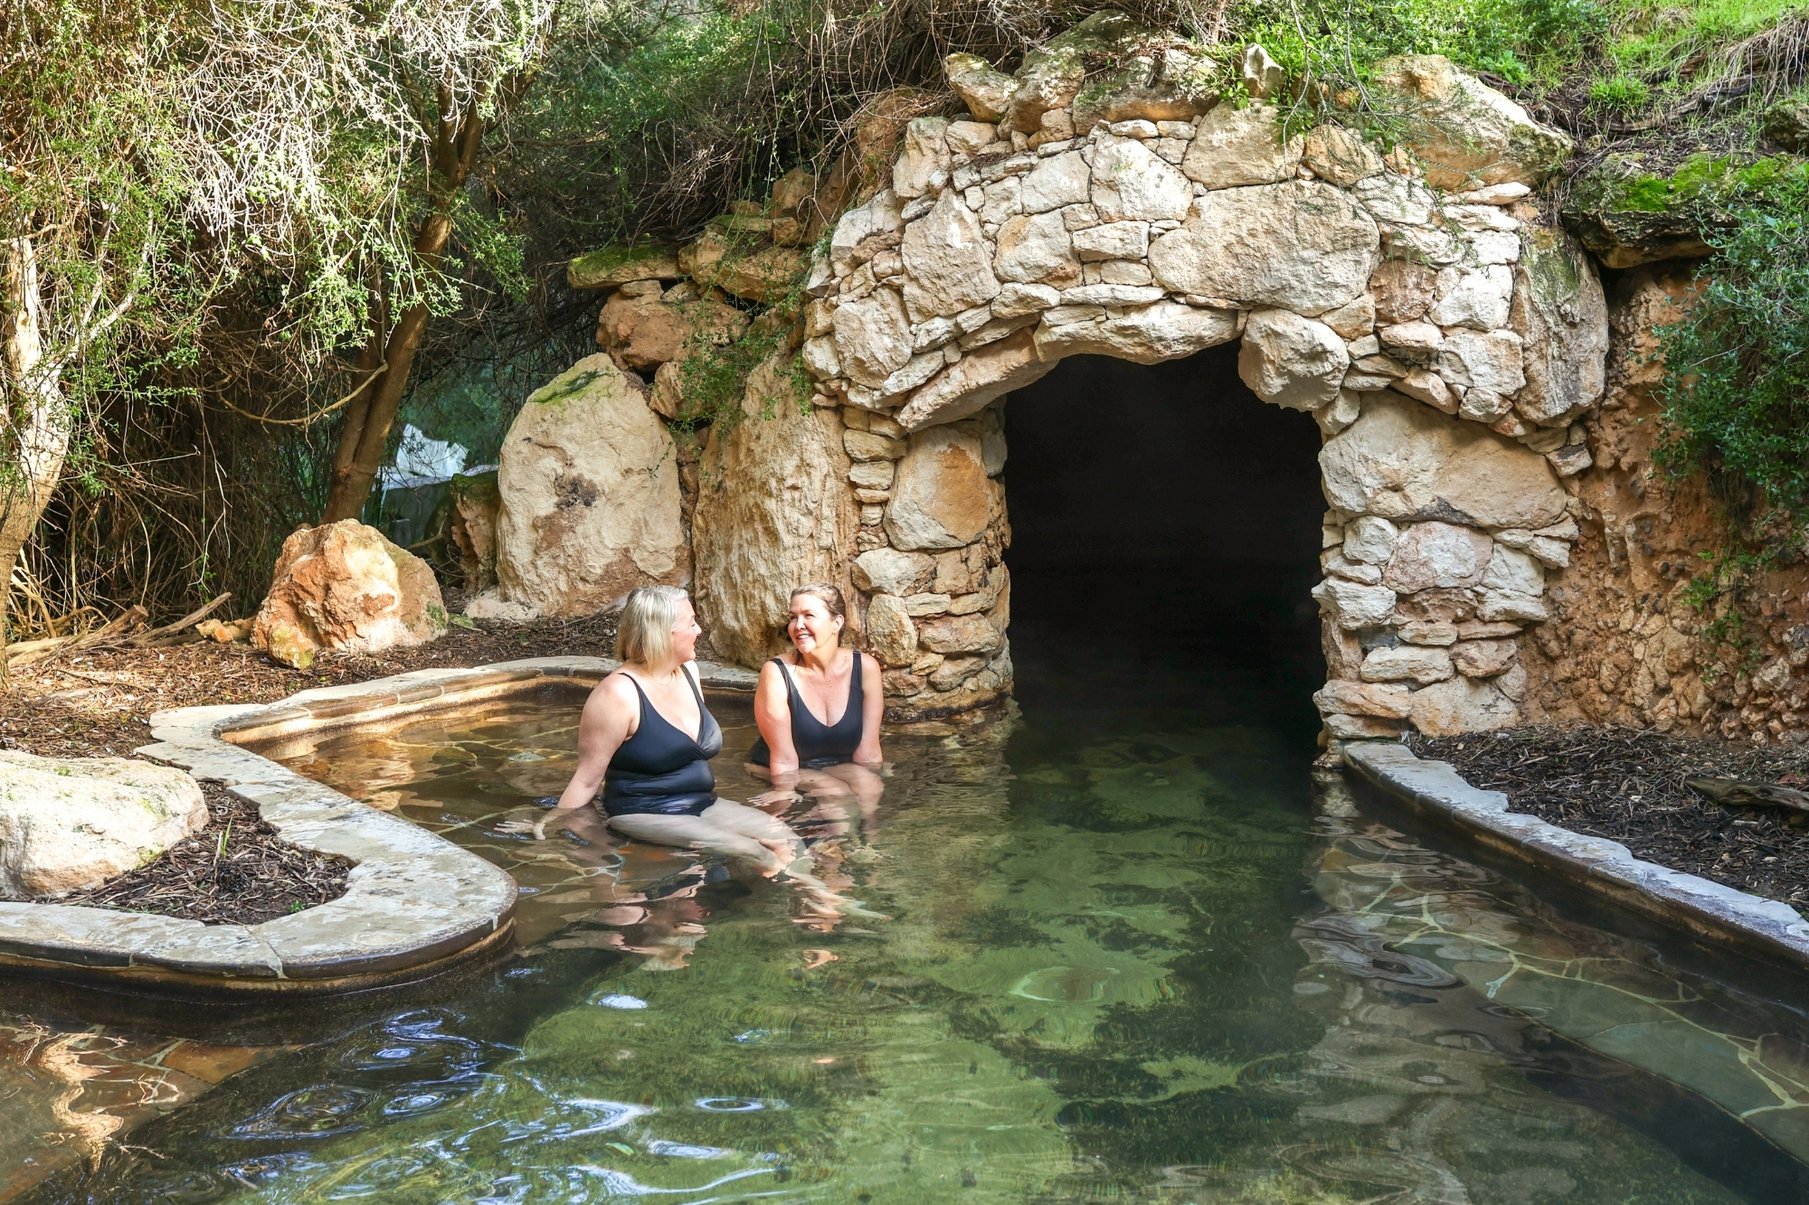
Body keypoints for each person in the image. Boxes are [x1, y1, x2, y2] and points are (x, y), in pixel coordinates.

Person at [507, 584, 805, 876]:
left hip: (703, 803)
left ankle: (819, 903)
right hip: (644, 811)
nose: (699, 630)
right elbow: (586, 780)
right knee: (752, 850)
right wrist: (550, 823)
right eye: (691, 623)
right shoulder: (617, 695)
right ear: (662, 633)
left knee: (790, 841)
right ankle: (805, 904)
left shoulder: (689, 672)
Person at [748, 584, 885, 824]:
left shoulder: (865, 668)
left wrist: (867, 809)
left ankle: (868, 848)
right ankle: (828, 857)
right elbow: (783, 761)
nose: (797, 625)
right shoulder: (778, 672)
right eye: (793, 617)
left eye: (808, 615)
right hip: (781, 765)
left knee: (870, 785)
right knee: (835, 793)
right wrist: (780, 820)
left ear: (836, 623)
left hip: (835, 764)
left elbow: (869, 753)